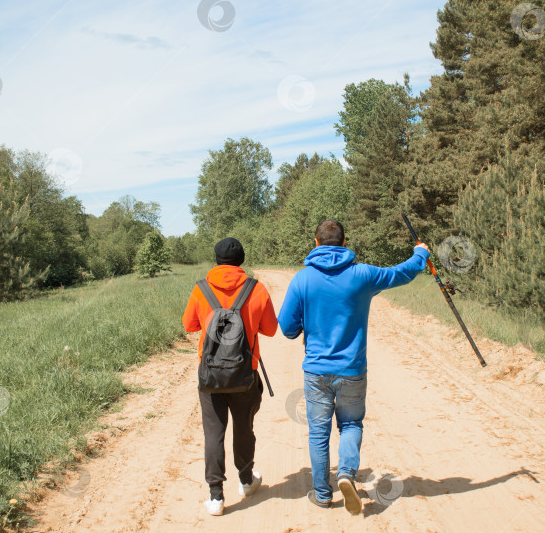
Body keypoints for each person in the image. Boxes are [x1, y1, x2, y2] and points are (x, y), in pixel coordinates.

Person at [277, 219, 430, 514]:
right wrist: (420, 253)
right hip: (353, 369)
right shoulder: (363, 274)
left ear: (316, 241)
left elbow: (286, 328)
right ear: (344, 243)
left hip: (316, 372)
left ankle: (322, 493)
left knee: (318, 432)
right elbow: (402, 273)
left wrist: (301, 327)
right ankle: (346, 473)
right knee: (350, 424)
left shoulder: (302, 280)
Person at [182, 237, 278, 516]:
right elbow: (271, 329)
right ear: (241, 261)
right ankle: (246, 481)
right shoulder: (256, 289)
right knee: (244, 427)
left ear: (216, 260)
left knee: (214, 432)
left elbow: (189, 325)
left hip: (210, 376)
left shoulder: (201, 289)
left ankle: (215, 497)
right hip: (244, 375)